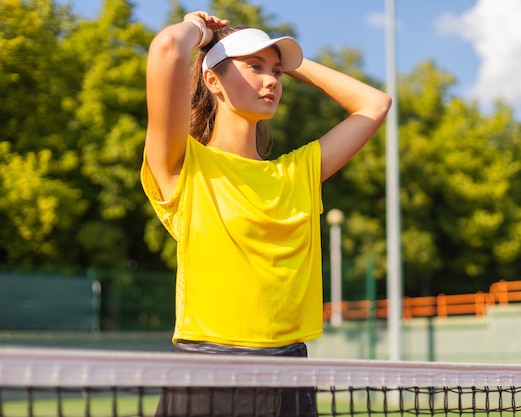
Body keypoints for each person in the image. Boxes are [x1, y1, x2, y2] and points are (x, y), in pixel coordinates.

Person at [142, 9, 391, 417]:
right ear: (212, 80)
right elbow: (168, 49)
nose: (271, 80)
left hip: (289, 373)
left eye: (276, 72)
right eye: (253, 66)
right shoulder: (183, 166)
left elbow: (374, 102)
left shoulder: (297, 173)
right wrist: (200, 30)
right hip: (210, 373)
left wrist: (289, 63)